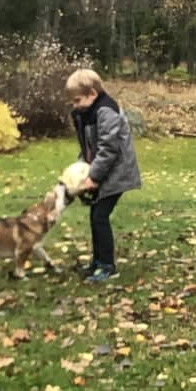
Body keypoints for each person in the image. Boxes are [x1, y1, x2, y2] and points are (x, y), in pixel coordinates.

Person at [66, 68, 141, 282]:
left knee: (99, 216)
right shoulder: (85, 113)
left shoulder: (106, 111)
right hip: (103, 171)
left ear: (92, 93)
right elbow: (89, 147)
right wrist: (81, 169)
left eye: (77, 100)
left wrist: (94, 177)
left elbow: (108, 149)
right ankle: (98, 262)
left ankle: (107, 266)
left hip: (117, 173)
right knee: (96, 216)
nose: (75, 106)